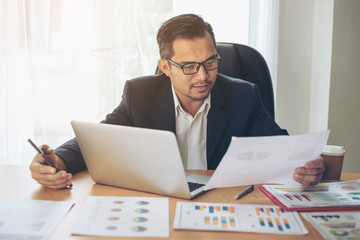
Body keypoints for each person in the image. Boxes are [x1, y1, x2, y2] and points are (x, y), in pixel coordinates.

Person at [30, 14, 324, 189]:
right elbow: (98, 139)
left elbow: (281, 148)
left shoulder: (243, 95)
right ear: (166, 67)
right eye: (189, 66)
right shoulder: (139, 94)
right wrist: (58, 158)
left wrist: (306, 165)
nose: (203, 76)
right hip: (162, 201)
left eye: (211, 62)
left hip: (223, 203)